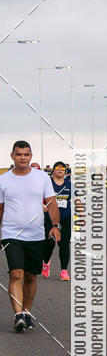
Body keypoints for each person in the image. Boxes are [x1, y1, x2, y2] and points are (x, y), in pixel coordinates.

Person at [0, 141, 61, 332]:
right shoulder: (3, 180)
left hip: (35, 234)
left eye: (26, 155)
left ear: (31, 156)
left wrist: (55, 226)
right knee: (16, 273)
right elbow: (0, 208)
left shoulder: (42, 177)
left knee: (30, 276)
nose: (23, 158)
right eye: (19, 155)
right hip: (11, 233)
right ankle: (18, 314)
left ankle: (26, 312)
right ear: (12, 156)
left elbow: (51, 203)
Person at [41, 160, 73, 281]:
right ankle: (45, 261)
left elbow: (76, 200)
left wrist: (81, 214)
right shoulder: (47, 184)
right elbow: (39, 197)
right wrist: (41, 205)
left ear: (65, 171)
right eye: (58, 167)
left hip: (65, 218)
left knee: (64, 244)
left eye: (63, 168)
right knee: (49, 244)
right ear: (53, 170)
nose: (60, 169)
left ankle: (64, 271)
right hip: (50, 218)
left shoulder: (70, 185)